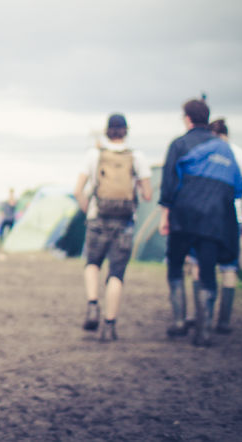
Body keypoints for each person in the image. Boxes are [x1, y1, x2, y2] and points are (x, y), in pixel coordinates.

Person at [158, 99, 242, 347]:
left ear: (187, 118)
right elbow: (236, 187)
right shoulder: (224, 148)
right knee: (207, 270)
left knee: (175, 265)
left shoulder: (179, 144)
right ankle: (204, 330)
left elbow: (169, 184)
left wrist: (166, 215)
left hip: (183, 216)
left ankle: (179, 321)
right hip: (214, 220)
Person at [73, 113, 152, 341]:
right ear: (126, 131)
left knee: (92, 263)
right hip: (125, 220)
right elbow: (147, 195)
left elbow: (78, 189)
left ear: (107, 131)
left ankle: (92, 305)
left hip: (98, 216)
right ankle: (109, 324)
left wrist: (88, 209)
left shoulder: (94, 155)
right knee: (116, 273)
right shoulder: (137, 157)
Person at [183, 117, 242, 334]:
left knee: (198, 266)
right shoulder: (241, 155)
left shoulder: (204, 151)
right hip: (231, 219)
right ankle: (223, 321)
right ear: (227, 134)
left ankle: (199, 316)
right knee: (229, 269)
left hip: (202, 218)